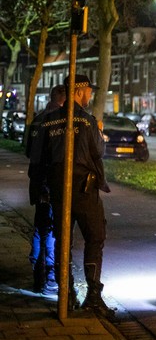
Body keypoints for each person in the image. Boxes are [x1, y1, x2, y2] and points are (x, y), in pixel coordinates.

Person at [38, 75, 113, 318]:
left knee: (63, 242)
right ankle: (92, 297)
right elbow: (98, 152)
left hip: (57, 189)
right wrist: (99, 132)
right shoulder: (88, 121)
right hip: (83, 188)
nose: (90, 95)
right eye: (89, 90)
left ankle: (66, 294)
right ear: (79, 91)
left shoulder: (48, 121)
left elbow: (37, 156)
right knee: (95, 237)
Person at [26, 84, 65, 295]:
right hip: (49, 183)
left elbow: (28, 152)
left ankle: (36, 273)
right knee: (50, 230)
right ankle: (50, 277)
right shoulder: (56, 121)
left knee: (39, 227)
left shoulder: (37, 119)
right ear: (62, 98)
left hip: (36, 180)